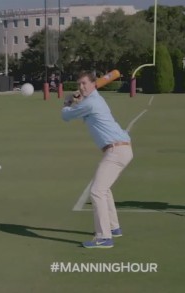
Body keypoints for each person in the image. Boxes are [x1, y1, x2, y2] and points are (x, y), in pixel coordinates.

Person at [61, 71, 133, 249]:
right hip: (120, 149)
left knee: (96, 191)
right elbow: (83, 107)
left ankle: (104, 237)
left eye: (85, 83)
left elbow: (66, 116)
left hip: (116, 151)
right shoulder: (94, 100)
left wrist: (68, 102)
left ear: (94, 84)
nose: (81, 87)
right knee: (104, 189)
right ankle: (114, 227)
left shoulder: (92, 103)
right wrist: (78, 100)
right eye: (79, 84)